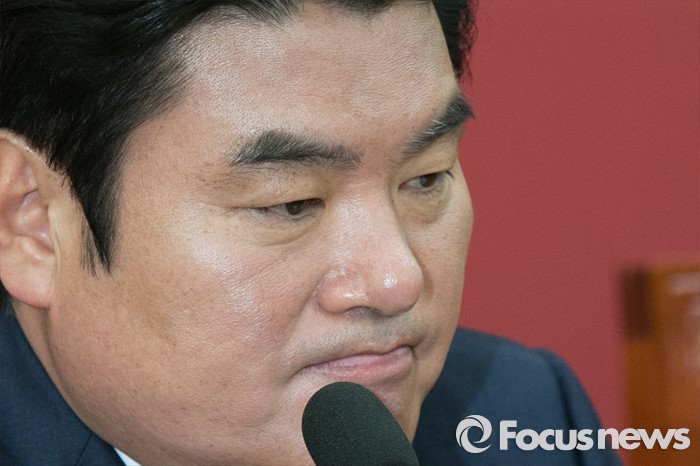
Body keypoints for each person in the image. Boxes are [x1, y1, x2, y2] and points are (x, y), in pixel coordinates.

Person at [0, 1, 621, 464]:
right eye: (291, 203)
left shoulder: (520, 418)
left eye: (426, 178)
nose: (396, 281)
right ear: (32, 224)